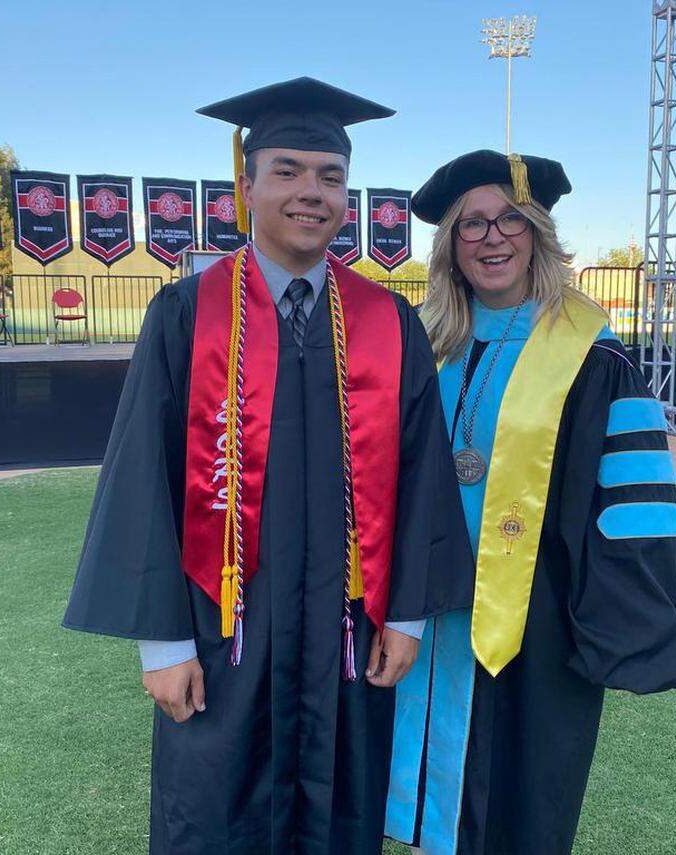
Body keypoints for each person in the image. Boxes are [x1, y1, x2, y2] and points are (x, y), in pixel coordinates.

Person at [62, 77, 473, 855]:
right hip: (224, 635)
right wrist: (164, 645)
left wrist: (407, 615)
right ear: (245, 188)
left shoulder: (389, 323)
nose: (310, 191)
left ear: (346, 196)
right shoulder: (187, 315)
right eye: (287, 170)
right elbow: (142, 477)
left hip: (348, 636)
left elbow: (422, 473)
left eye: (330, 176)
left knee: (339, 818)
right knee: (216, 819)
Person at [384, 150, 676, 855]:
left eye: (511, 220)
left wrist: (608, 624)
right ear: (451, 245)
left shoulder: (591, 355)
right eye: (471, 224)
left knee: (517, 806)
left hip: (536, 619)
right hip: (424, 608)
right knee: (423, 796)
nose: (492, 238)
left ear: (538, 234)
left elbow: (633, 499)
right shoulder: (424, 344)